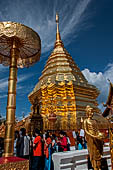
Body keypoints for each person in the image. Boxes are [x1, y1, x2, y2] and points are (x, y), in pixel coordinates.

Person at [84, 105, 105, 170]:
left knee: (98, 152)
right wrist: (92, 136)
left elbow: (97, 130)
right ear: (87, 113)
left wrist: (100, 135)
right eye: (90, 112)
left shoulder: (95, 121)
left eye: (92, 112)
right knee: (93, 153)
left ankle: (99, 166)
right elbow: (86, 131)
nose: (91, 113)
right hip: (91, 139)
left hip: (97, 138)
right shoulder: (86, 121)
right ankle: (95, 167)